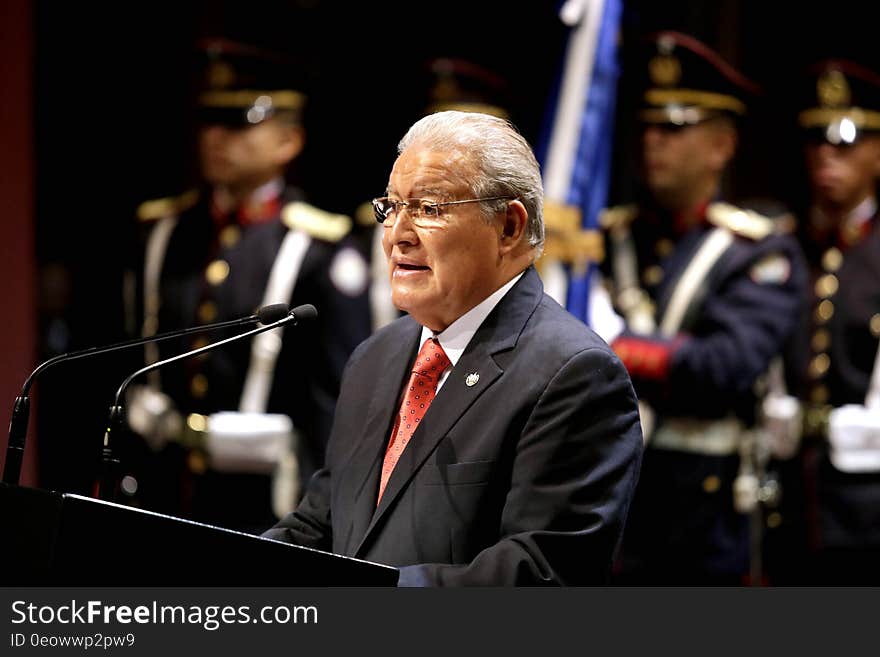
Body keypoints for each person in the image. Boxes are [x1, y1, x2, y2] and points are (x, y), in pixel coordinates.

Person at [262, 110, 644, 586]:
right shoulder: (375, 357)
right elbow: (324, 523)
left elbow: (543, 572)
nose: (398, 234)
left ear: (508, 228)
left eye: (429, 208)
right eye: (392, 207)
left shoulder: (574, 374)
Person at [124, 38, 372, 532]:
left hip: (266, 501)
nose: (218, 138)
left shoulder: (317, 249)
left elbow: (336, 401)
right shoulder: (165, 233)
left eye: (239, 126)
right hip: (163, 486)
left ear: (288, 141)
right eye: (211, 122)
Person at [603, 31, 808, 584]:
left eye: (674, 128)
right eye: (649, 126)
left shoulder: (758, 250)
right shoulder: (611, 239)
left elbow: (725, 365)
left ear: (721, 146)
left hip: (702, 513)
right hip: (614, 500)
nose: (653, 142)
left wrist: (611, 349)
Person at [790, 58, 880, 584]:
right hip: (793, 502)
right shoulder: (786, 248)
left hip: (867, 514)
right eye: (818, 142)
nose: (828, 155)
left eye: (846, 143)